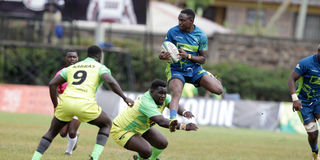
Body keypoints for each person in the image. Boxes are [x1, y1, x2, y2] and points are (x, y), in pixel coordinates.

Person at [31, 45, 134, 160]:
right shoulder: (100, 67)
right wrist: (124, 97)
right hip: (85, 104)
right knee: (106, 124)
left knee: (51, 133)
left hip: (66, 103)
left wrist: (56, 105)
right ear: (100, 56)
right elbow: (110, 81)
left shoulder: (72, 67)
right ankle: (94, 157)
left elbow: (52, 84)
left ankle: (35, 158)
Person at [159, 8, 223, 132]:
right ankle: (173, 120)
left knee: (218, 90)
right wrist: (163, 56)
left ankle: (209, 75)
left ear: (191, 21)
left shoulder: (201, 35)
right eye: (179, 20)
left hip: (194, 70)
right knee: (176, 93)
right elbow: (162, 53)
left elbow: (203, 59)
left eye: (182, 20)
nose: (179, 23)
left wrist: (188, 56)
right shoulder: (173, 32)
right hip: (176, 69)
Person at [110, 79, 198, 160]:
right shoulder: (146, 102)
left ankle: (141, 159)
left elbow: (174, 105)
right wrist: (184, 126)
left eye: (164, 93)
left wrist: (184, 112)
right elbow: (161, 121)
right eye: (160, 93)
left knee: (162, 143)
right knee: (147, 151)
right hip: (122, 130)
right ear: (151, 91)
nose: (163, 96)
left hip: (140, 128)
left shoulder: (164, 98)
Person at [288, 44, 320, 160]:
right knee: (313, 134)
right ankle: (315, 152)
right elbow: (291, 79)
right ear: (319, 53)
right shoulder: (306, 63)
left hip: (319, 100)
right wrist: (295, 99)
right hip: (304, 103)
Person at [54, 49, 80, 155]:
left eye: (74, 57)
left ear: (78, 59)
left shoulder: (82, 72)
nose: (72, 59)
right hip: (65, 105)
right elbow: (54, 87)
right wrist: (58, 101)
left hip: (79, 105)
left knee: (71, 132)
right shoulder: (60, 73)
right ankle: (75, 137)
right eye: (70, 57)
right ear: (66, 59)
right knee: (63, 133)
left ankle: (68, 152)